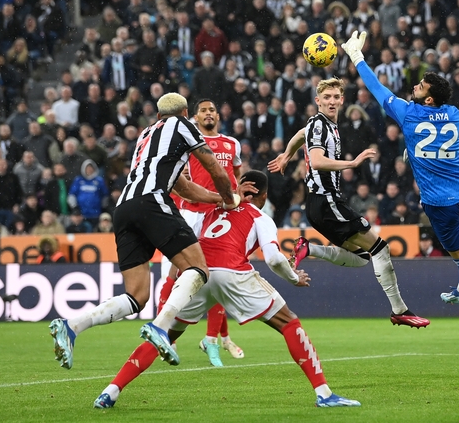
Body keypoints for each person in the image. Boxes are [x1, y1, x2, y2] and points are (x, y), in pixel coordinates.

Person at [93, 170, 360, 409]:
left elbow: (186, 246)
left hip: (198, 274)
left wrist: (176, 281)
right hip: (233, 272)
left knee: (163, 336)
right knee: (289, 323)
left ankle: (110, 391)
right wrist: (293, 279)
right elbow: (275, 259)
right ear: (264, 196)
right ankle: (324, 393)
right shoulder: (260, 217)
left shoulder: (211, 211)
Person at [339, 31, 459, 326]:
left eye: (420, 85)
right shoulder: (453, 112)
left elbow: (376, 88)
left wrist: (357, 57)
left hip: (440, 202)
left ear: (427, 97)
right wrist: (422, 149)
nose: (414, 85)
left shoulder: (408, 113)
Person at [49, 92, 243, 370]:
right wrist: (229, 197)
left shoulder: (146, 134)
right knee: (199, 269)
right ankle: (161, 328)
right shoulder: (184, 125)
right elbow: (214, 166)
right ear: (186, 113)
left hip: (124, 208)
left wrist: (216, 198)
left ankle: (72, 326)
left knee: (136, 296)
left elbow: (184, 188)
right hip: (152, 201)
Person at [268, 77, 429, 328]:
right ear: (318, 101)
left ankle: (310, 249)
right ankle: (400, 310)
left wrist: (287, 154)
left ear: (342, 100)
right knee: (381, 249)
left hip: (322, 205)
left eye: (336, 97)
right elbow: (318, 160)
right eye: (327, 97)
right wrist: (352, 164)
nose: (332, 101)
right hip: (327, 201)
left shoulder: (320, 124)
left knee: (364, 257)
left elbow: (301, 135)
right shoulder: (321, 125)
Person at [159, 98, 245, 367]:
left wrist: (238, 199)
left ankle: (211, 340)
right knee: (174, 274)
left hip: (219, 215)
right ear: (194, 117)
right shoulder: (188, 140)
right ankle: (164, 335)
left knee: (217, 276)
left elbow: (237, 177)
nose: (209, 114)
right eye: (203, 111)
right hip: (191, 214)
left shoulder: (232, 143)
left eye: (212, 110)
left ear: (218, 115)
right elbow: (174, 177)